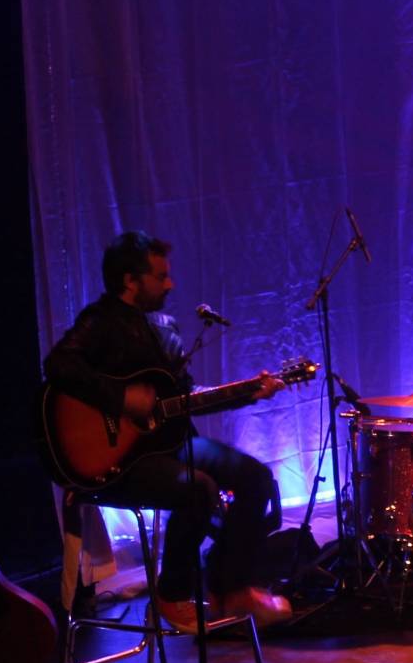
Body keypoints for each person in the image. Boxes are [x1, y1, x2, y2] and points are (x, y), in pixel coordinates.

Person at [44, 231, 291, 629]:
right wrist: (120, 399)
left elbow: (185, 397)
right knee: (198, 489)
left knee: (256, 478)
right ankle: (172, 594)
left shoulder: (158, 329)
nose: (170, 284)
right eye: (160, 276)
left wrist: (248, 393)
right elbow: (59, 365)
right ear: (130, 281)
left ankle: (230, 588)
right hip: (124, 461)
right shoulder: (100, 321)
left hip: (168, 444)